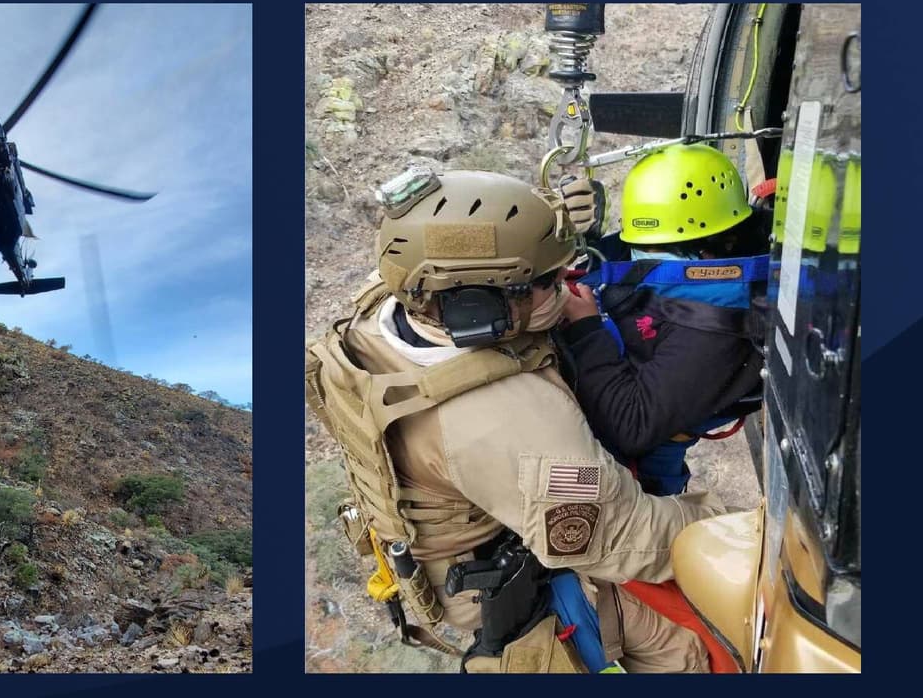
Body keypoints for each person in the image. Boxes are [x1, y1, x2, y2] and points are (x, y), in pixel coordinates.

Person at [305, 167, 728, 673]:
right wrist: (732, 528)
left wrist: (554, 226)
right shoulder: (501, 420)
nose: (569, 285)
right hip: (525, 581)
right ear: (476, 308)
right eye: (549, 281)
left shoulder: (396, 296)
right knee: (699, 647)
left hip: (477, 525)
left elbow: (464, 239)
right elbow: (624, 541)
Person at [560, 144, 769, 496]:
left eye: (657, 250)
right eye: (639, 245)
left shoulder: (715, 325)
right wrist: (586, 244)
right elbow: (634, 279)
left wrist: (586, 331)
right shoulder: (691, 281)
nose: (641, 257)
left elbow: (633, 427)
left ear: (711, 249)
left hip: (639, 480)